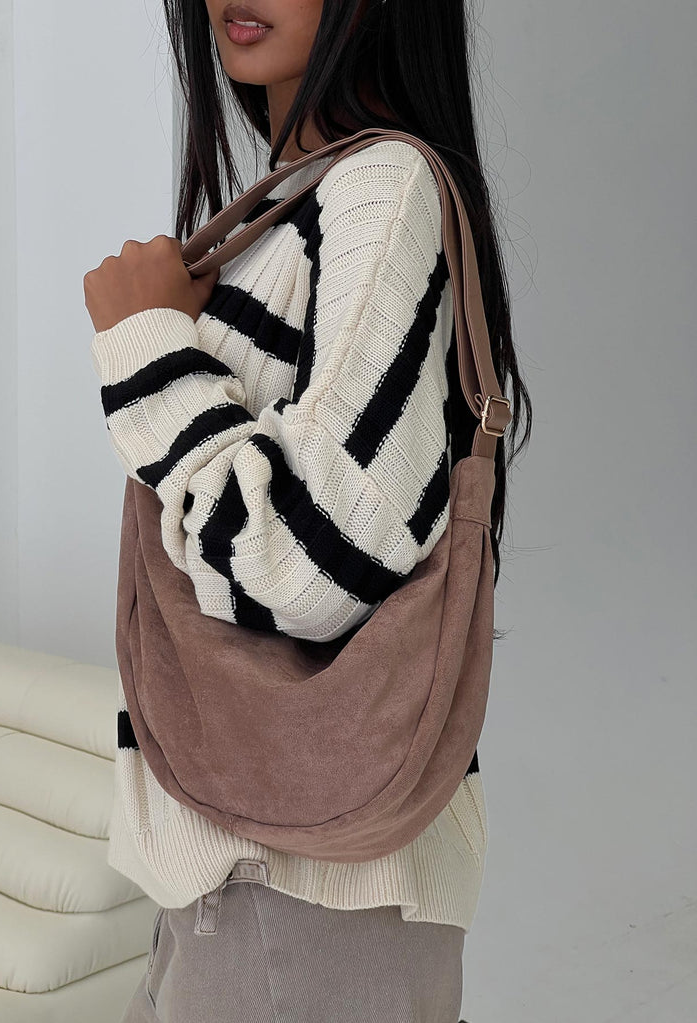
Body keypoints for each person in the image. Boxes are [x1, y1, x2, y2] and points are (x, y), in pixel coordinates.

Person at [83, 1, 532, 1020]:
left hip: (298, 897)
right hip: (251, 874)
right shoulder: (303, 198)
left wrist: (148, 346)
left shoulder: (379, 189)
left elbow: (316, 566)